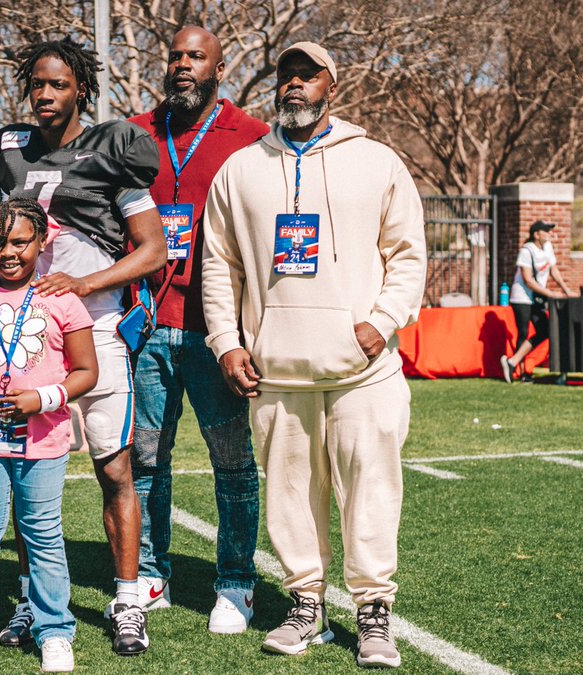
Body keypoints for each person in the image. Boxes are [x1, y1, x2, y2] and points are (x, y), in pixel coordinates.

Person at [202, 42, 427, 668]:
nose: (294, 85)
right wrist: (226, 341)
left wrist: (382, 322)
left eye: (308, 75)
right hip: (278, 371)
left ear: (332, 84)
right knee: (291, 494)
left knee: (372, 490)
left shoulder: (377, 161)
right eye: (286, 76)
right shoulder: (242, 168)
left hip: (365, 370)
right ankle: (306, 606)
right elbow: (218, 268)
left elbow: (408, 254)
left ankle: (373, 611)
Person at [0, 37, 167, 656]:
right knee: (27, 473)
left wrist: (84, 283)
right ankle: (34, 603)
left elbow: (153, 249)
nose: (45, 94)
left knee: (114, 469)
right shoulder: (9, 150)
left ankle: (127, 599)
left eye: (58, 84)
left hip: (99, 330)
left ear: (81, 90)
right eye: (37, 83)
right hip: (31, 337)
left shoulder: (114, 149)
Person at [124, 25, 269, 634]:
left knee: (232, 462)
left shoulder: (255, 138)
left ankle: (236, 582)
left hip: (217, 332)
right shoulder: (134, 133)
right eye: (176, 56)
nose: (183, 65)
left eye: (196, 57)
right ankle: (151, 571)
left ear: (219, 65)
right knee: (146, 459)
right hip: (148, 326)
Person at [0, 199, 98, 674]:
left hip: (44, 441)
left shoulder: (62, 299)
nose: (7, 252)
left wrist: (43, 398)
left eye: (19, 241)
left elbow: (87, 372)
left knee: (43, 536)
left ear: (41, 242)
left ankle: (55, 630)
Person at [500, 221, 576, 383]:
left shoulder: (547, 248)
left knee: (545, 330)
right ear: (536, 234)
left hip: (536, 297)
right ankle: (520, 373)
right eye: (546, 231)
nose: (549, 234)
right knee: (523, 332)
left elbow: (553, 270)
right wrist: (550, 294)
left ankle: (512, 362)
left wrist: (566, 290)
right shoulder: (527, 251)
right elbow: (527, 280)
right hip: (522, 297)